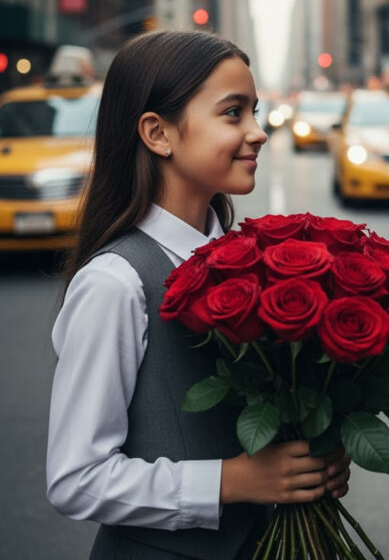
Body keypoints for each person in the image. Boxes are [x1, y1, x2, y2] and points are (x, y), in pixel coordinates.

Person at [46, 31, 351, 559]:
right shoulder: (115, 284)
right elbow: (77, 479)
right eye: (233, 114)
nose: (257, 133)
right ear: (158, 133)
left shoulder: (248, 259)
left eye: (255, 111)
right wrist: (230, 483)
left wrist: (306, 463)